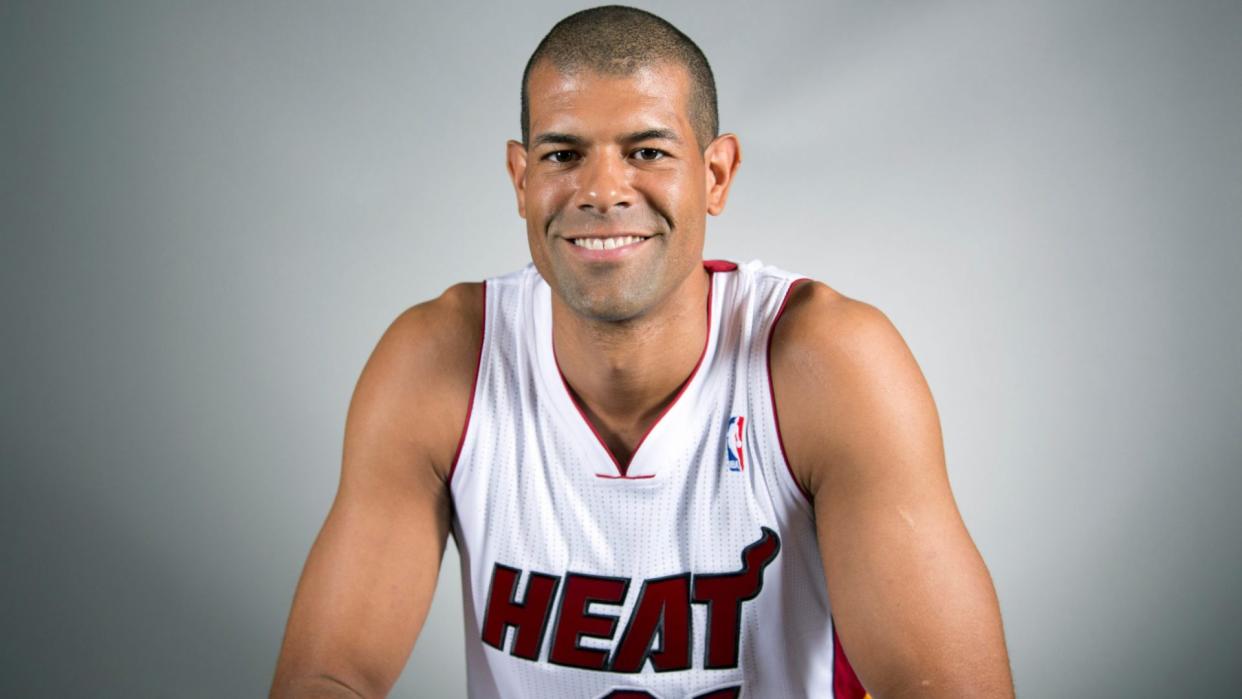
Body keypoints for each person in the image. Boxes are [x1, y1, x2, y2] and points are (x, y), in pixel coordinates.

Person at [270, 6, 1013, 698]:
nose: (601, 189)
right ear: (522, 180)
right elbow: (331, 674)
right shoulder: (440, 361)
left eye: (647, 150)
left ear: (715, 174)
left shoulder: (823, 361)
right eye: (563, 154)